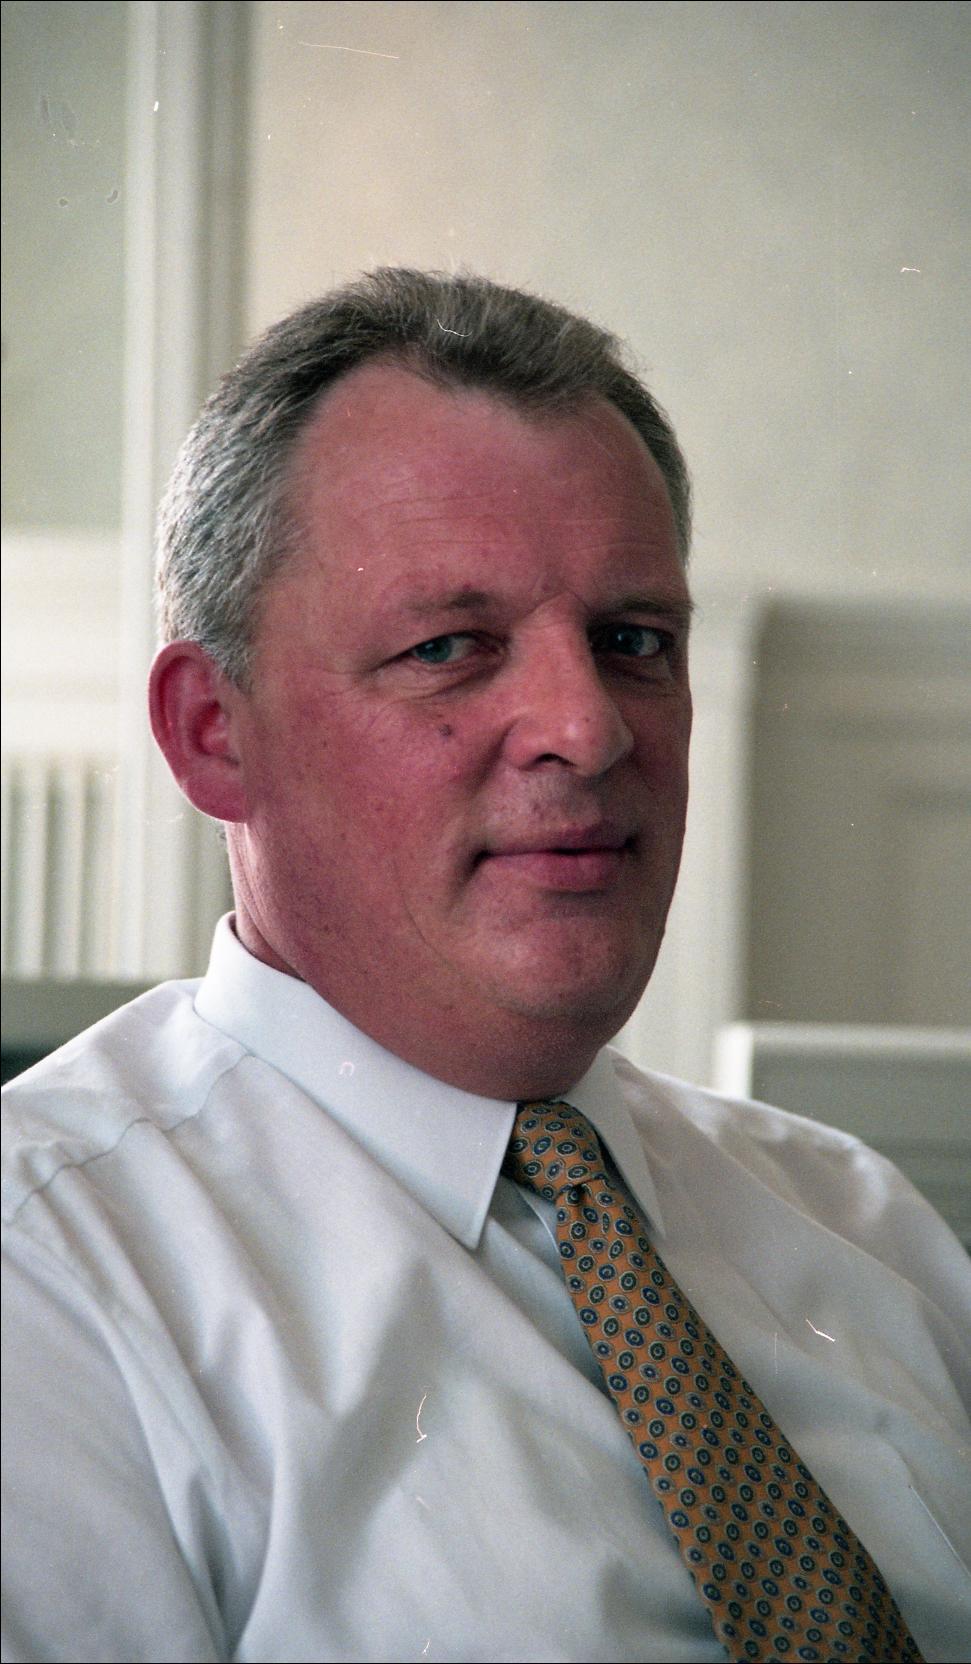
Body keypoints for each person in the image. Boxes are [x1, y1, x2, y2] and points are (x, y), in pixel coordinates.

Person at [2, 269, 968, 1664]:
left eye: (634, 644)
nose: (589, 728)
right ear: (214, 731)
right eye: (448, 649)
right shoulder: (52, 1279)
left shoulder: (868, 1230)